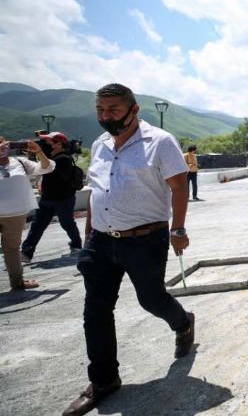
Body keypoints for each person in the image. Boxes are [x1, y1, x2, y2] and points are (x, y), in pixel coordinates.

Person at [64, 83, 195, 416]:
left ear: (134, 109)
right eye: (100, 111)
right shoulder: (100, 144)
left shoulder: (160, 142)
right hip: (102, 240)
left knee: (151, 299)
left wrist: (177, 228)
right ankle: (104, 379)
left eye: (113, 111)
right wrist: (89, 234)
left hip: (145, 239)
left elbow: (178, 185)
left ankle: (182, 323)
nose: (106, 117)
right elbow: (97, 188)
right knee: (95, 311)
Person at [0, 136, 54, 290]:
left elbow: (46, 167)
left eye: (3, 144)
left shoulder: (19, 162)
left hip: (15, 213)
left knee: (11, 248)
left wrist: (39, 152)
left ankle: (17, 282)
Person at [21, 132, 82, 263]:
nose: (45, 145)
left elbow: (48, 166)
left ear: (59, 144)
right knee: (37, 226)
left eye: (48, 142)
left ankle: (76, 245)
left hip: (63, 199)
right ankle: (26, 252)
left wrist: (39, 153)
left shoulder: (63, 159)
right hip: (48, 199)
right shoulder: (51, 157)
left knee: (67, 224)